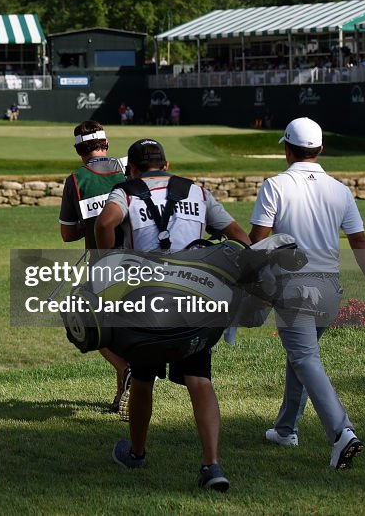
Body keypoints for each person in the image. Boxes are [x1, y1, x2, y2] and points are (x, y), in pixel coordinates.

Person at [94, 139, 250, 492]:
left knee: (145, 377)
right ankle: (211, 465)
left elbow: (106, 223)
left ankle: (136, 453)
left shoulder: (126, 192)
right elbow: (234, 232)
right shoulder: (197, 191)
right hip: (196, 299)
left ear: (132, 169)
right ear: (166, 163)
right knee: (199, 378)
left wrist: (107, 262)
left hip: (148, 302)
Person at [249, 117, 365, 469]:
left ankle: (342, 433)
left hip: (292, 287)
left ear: (286, 149)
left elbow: (257, 240)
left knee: (306, 359)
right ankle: (285, 429)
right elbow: (359, 241)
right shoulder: (340, 189)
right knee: (301, 357)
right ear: (321, 149)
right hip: (330, 289)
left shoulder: (275, 185)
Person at [57, 121, 131, 416]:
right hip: (140, 259)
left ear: (78, 150)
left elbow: (66, 234)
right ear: (107, 144)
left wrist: (91, 226)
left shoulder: (76, 179)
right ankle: (120, 396)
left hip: (103, 264)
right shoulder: (128, 169)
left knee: (86, 324)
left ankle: (126, 368)